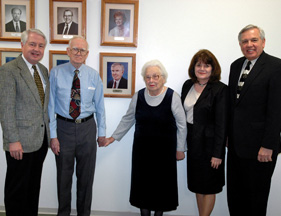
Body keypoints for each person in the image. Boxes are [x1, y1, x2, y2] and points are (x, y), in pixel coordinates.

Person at [101, 59, 187, 216]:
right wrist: (112, 138)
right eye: (148, 77)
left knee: (162, 188)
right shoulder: (138, 96)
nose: (151, 80)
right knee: (143, 187)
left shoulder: (172, 96)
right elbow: (128, 119)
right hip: (142, 153)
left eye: (155, 76)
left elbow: (182, 125)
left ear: (163, 78)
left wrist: (180, 149)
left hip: (165, 153)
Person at [48, 36, 106, 216]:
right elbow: (50, 106)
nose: (78, 53)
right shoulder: (55, 73)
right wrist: (53, 135)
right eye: (75, 49)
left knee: (86, 178)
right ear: (68, 51)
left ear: (87, 54)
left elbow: (100, 107)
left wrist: (102, 133)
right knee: (63, 178)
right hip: (63, 129)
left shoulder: (93, 75)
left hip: (87, 129)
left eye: (82, 50)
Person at [227, 24, 281, 216]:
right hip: (235, 148)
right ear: (240, 44)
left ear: (263, 42)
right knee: (235, 197)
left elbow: (277, 110)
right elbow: (234, 105)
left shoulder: (276, 67)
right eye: (244, 41)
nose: (249, 44)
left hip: (261, 149)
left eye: (254, 40)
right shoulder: (235, 66)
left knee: (255, 200)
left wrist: (269, 145)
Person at [0, 28, 49, 216]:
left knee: (32, 188)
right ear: (22, 45)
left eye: (41, 46)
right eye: (32, 44)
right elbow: (5, 108)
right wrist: (12, 140)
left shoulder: (43, 70)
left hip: (40, 141)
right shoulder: (9, 70)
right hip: (19, 143)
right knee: (16, 190)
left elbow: (43, 108)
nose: (37, 49)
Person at [181, 49, 228, 216]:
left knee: (209, 187)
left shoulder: (220, 89)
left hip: (210, 145)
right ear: (193, 67)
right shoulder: (187, 85)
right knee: (197, 185)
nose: (202, 68)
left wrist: (218, 153)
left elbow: (222, 124)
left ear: (212, 68)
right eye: (199, 65)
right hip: (193, 143)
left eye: (206, 65)